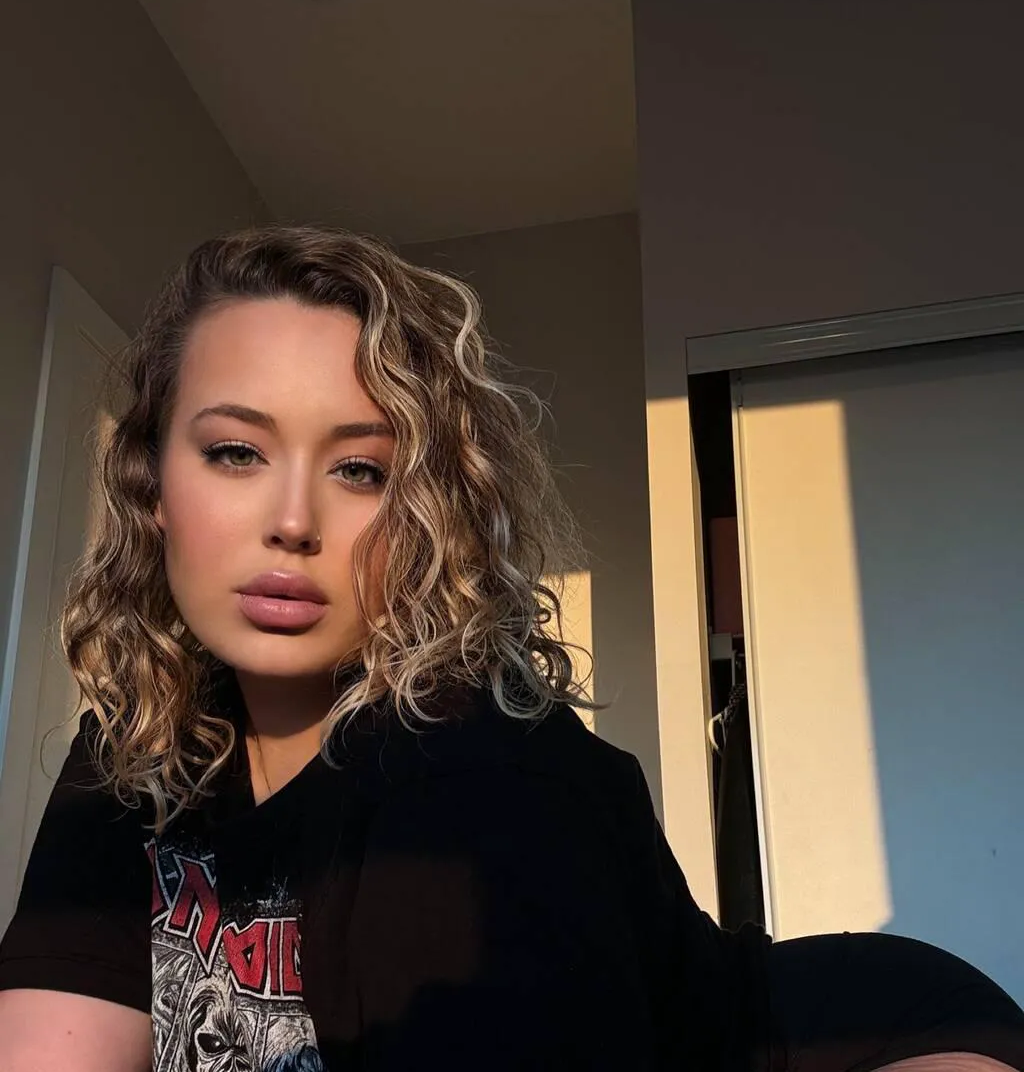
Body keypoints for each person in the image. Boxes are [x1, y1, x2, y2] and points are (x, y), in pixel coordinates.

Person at [0, 226, 1021, 1072]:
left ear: (426, 514)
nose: (293, 521)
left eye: (361, 469)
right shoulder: (136, 752)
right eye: (236, 451)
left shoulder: (478, 780)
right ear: (151, 485)